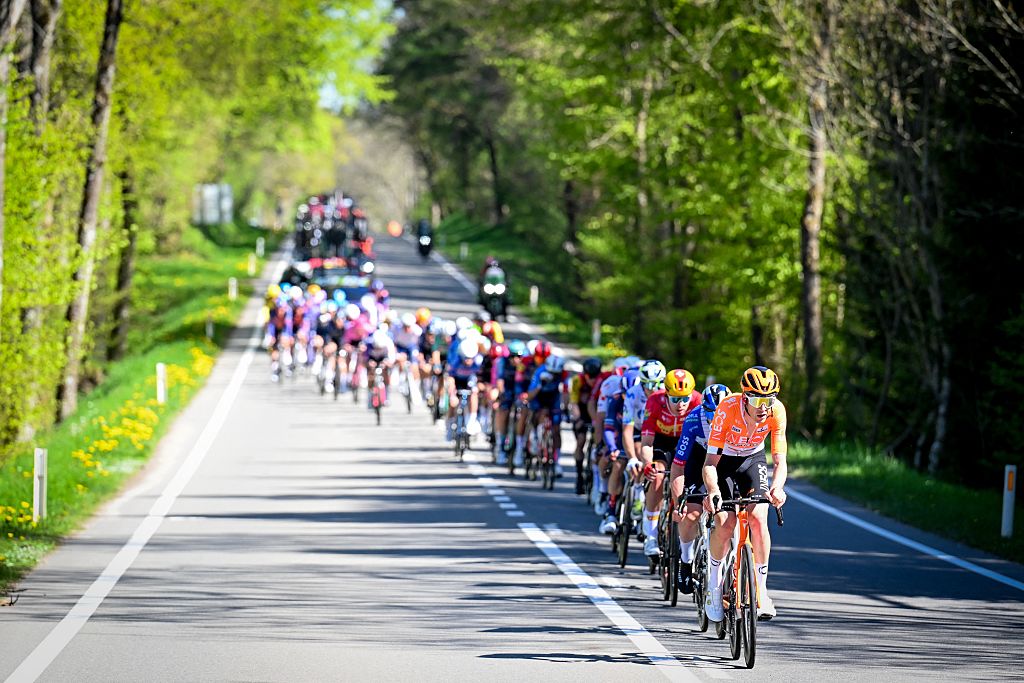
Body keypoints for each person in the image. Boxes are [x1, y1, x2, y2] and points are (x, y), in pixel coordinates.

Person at [702, 366, 788, 622]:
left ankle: (761, 590)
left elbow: (780, 460)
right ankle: (715, 588)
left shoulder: (777, 411)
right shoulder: (727, 409)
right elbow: (709, 463)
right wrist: (713, 490)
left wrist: (778, 486)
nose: (764, 407)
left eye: (769, 399)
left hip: (753, 459)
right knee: (725, 523)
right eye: (757, 400)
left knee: (759, 517)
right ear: (744, 397)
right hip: (724, 460)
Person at [631, 368, 701, 558]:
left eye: (685, 398)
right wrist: (648, 464)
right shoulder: (655, 401)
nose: (681, 404)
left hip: (687, 443)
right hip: (662, 442)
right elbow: (646, 443)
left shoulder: (698, 401)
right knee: (658, 475)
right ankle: (651, 535)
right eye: (675, 399)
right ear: (667, 394)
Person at [670, 382, 730, 594]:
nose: (716, 420)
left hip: (724, 462)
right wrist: (679, 502)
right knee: (691, 514)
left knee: (731, 512)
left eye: (720, 414)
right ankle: (685, 561)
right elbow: (678, 467)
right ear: (703, 409)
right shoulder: (694, 420)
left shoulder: (737, 417)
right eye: (711, 414)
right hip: (698, 458)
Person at [569, 357, 603, 495]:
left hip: (596, 413)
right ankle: (579, 476)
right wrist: (577, 418)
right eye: (589, 376)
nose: (592, 379)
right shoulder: (578, 380)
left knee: (597, 441)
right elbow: (574, 402)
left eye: (595, 376)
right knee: (581, 441)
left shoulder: (602, 382)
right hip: (582, 413)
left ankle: (595, 474)